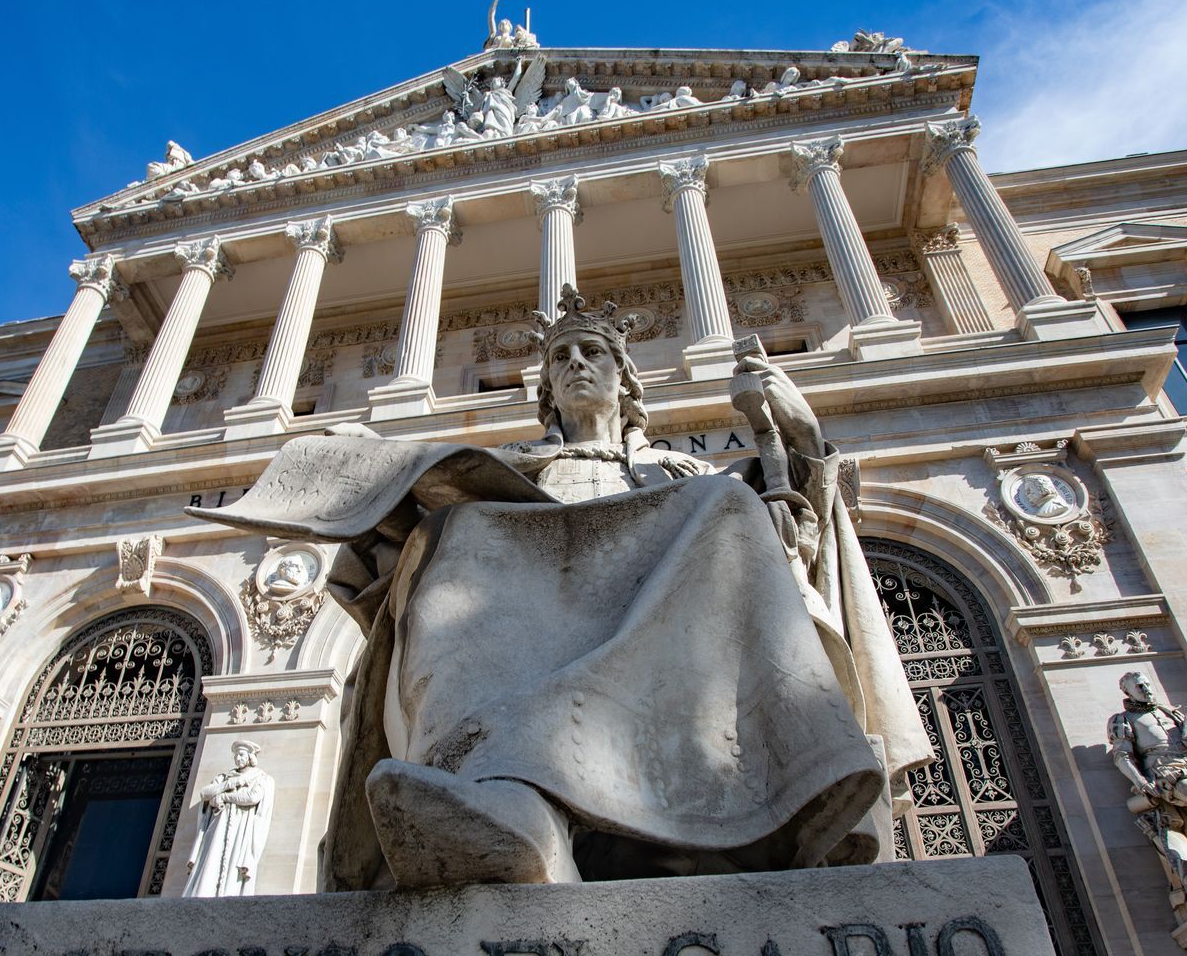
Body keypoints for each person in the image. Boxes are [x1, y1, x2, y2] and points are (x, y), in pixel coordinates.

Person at [188, 286, 926, 891]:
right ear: (543, 390)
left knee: (729, 512)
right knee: (453, 537)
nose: (575, 363)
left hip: (670, 650)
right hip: (524, 633)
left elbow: (791, 537)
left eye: (593, 353)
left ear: (625, 381)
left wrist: (795, 441)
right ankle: (505, 802)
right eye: (561, 357)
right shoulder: (509, 480)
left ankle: (544, 794)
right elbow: (377, 573)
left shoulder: (681, 476)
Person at [1108, 672, 1187, 886]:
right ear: (1127, 691)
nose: (1146, 689)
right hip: (1165, 770)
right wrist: (1141, 782)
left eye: (1148, 684)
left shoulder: (1173, 713)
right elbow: (1123, 756)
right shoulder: (1123, 720)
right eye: (1139, 686)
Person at [183, 740, 275, 897]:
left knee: (232, 865)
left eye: (241, 755)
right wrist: (227, 784)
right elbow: (205, 793)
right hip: (218, 826)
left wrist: (224, 796)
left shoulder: (260, 778)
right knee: (211, 859)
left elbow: (252, 797)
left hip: (241, 828)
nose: (238, 758)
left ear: (250, 757)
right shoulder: (225, 777)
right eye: (236, 755)